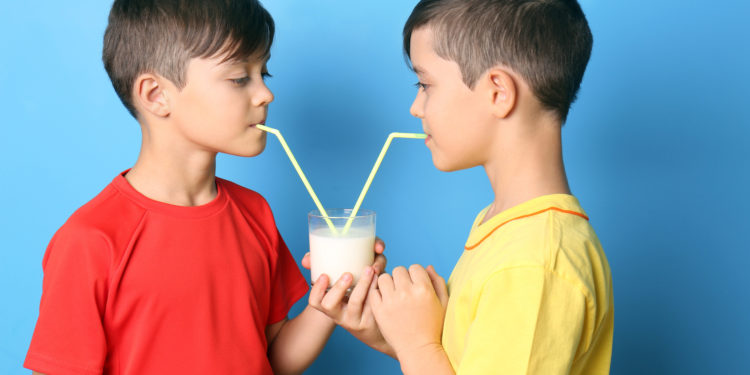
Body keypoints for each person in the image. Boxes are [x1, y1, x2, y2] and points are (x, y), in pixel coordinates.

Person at [23, 1, 386, 374]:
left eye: (264, 73)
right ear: (155, 95)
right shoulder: (91, 240)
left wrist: (330, 299)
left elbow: (272, 359)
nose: (265, 94)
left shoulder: (254, 213)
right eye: (240, 78)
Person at [366, 0, 614, 373]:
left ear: (498, 92)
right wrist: (390, 333)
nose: (416, 107)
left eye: (425, 84)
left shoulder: (533, 265)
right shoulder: (506, 226)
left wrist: (417, 344)